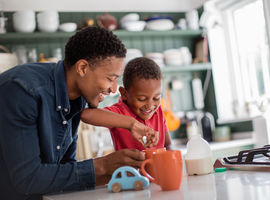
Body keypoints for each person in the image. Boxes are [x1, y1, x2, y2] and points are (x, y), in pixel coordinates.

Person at [0, 27, 158, 200]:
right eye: (110, 78)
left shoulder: (78, 98)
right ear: (82, 68)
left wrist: (115, 175)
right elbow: (28, 179)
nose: (113, 89)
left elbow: (66, 168)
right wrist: (103, 166)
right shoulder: (22, 91)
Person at [81, 57, 172, 151]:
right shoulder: (119, 112)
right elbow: (86, 115)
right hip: (128, 166)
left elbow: (168, 144)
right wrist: (131, 124)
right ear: (124, 93)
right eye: (141, 99)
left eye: (156, 98)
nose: (150, 105)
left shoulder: (158, 111)